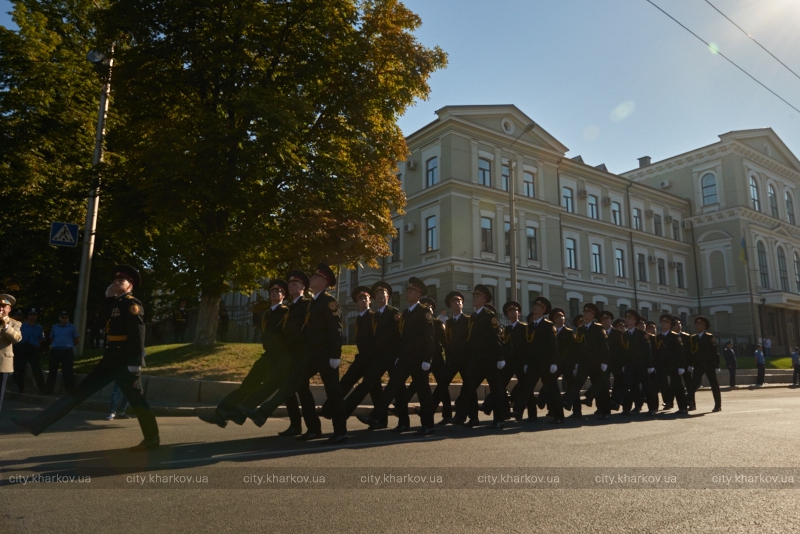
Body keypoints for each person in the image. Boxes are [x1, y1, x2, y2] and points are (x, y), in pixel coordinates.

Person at [13, 265, 160, 451]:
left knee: (138, 402)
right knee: (79, 392)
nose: (116, 282)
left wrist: (135, 364)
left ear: (130, 286)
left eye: (121, 281)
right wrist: (107, 299)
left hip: (125, 363)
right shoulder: (115, 304)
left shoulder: (132, 305)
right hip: (110, 361)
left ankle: (152, 438)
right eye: (114, 281)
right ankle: (37, 423)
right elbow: (101, 324)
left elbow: (138, 336)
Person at [358, 277, 436, 435]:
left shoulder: (424, 311)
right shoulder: (406, 313)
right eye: (407, 291)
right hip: (405, 358)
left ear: (418, 294)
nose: (408, 293)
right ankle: (386, 418)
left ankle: (428, 425)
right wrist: (399, 356)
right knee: (393, 388)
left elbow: (429, 337)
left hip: (420, 360)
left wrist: (427, 359)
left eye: (411, 291)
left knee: (424, 393)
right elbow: (403, 337)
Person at [564, 303, 611, 419]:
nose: (585, 314)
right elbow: (577, 347)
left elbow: (604, 346)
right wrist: (576, 363)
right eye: (584, 312)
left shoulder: (598, 328)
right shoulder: (580, 329)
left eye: (588, 312)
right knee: (577, 383)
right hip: (584, 362)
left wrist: (604, 362)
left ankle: (606, 411)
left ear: (593, 315)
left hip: (596, 363)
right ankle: (568, 402)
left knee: (602, 387)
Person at [430, 291, 469, 425]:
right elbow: (448, 341)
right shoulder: (450, 322)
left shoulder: (468, 320)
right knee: (441, 384)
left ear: (462, 304)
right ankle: (429, 412)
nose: (457, 303)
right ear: (450, 306)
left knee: (468, 388)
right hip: (452, 359)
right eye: (454, 302)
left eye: (459, 301)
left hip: (464, 359)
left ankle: (468, 417)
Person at [689, 315, 722, 412]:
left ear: (704, 327)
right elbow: (692, 353)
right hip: (698, 365)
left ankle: (718, 405)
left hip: (709, 364)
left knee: (714, 385)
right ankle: (689, 401)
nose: (698, 326)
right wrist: (691, 364)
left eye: (700, 324)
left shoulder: (709, 337)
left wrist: (717, 365)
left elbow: (715, 352)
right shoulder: (693, 338)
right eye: (697, 324)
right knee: (693, 384)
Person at [44, 311, 79, 394]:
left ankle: (69, 390)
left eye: (67, 317)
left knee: (68, 371)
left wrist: (69, 345)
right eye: (63, 317)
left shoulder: (72, 328)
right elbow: (52, 338)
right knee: (52, 371)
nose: (65, 319)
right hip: (56, 351)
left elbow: (77, 340)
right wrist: (56, 345)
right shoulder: (55, 327)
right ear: (59, 318)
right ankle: (48, 390)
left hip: (67, 351)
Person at [15, 306, 46, 393]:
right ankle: (20, 387)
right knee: (20, 368)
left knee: (36, 369)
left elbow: (41, 339)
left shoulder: (39, 328)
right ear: (28, 316)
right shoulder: (22, 326)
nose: (32, 317)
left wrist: (37, 345)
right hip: (22, 347)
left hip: (33, 349)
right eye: (31, 315)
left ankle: (42, 388)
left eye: (34, 315)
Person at [0, 294, 23, 414]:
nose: (1, 309)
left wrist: (5, 327)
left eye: (4, 306)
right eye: (0, 306)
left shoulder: (15, 324)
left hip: (2, 364)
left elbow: (17, 338)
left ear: (9, 309)